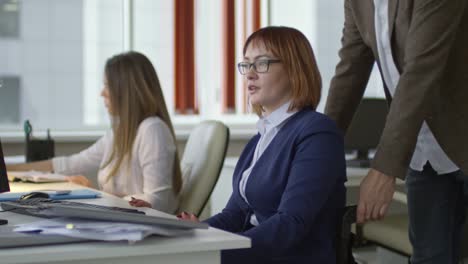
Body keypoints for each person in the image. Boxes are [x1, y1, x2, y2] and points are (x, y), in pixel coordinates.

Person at [179, 26, 346, 264]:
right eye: (246, 64)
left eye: (262, 63)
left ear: (294, 69)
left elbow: (291, 224)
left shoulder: (317, 132)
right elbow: (234, 215)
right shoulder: (262, 136)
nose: (250, 74)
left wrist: (217, 251)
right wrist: (190, 235)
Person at [325, 0, 468, 263]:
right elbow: (350, 70)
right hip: (424, 150)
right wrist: (316, 146)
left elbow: (420, 70)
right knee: (429, 257)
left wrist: (384, 169)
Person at [8, 51, 182, 213]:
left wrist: (97, 194)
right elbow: (70, 164)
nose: (102, 93)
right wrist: (10, 168)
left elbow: (158, 201)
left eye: (107, 86)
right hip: (121, 221)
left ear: (125, 90)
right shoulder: (119, 133)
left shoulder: (152, 130)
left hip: (143, 230)